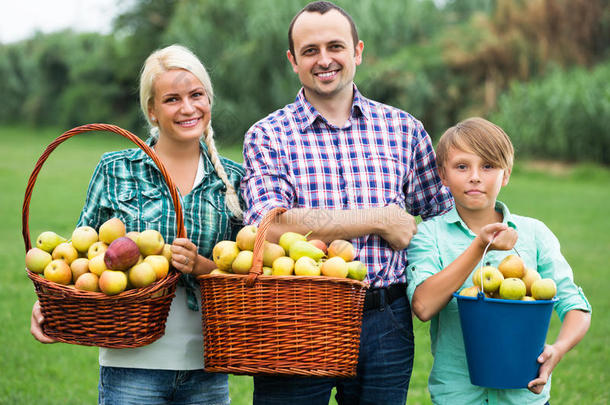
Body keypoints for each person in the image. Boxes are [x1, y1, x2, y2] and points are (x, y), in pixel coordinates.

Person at [241, 2, 453, 404]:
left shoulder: (403, 129)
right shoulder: (268, 135)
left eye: (335, 47)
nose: (324, 60)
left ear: (357, 51)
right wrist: (378, 219)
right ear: (293, 61)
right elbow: (270, 225)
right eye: (310, 51)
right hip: (295, 315)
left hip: (385, 319)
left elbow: (443, 216)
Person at [30, 44, 244, 405]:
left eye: (196, 95)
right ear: (152, 110)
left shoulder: (234, 181)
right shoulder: (116, 169)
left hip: (208, 367)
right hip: (131, 366)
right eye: (172, 99)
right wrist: (50, 303)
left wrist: (203, 266)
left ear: (209, 100)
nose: (188, 108)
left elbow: (244, 280)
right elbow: (78, 259)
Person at [406, 117, 592, 404]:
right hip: (457, 394)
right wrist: (480, 246)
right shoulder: (429, 235)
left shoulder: (534, 234)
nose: (475, 176)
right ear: (443, 176)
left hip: (523, 393)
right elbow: (423, 305)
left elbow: (576, 306)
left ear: (506, 175)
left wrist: (559, 348)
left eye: (488, 166)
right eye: (462, 166)